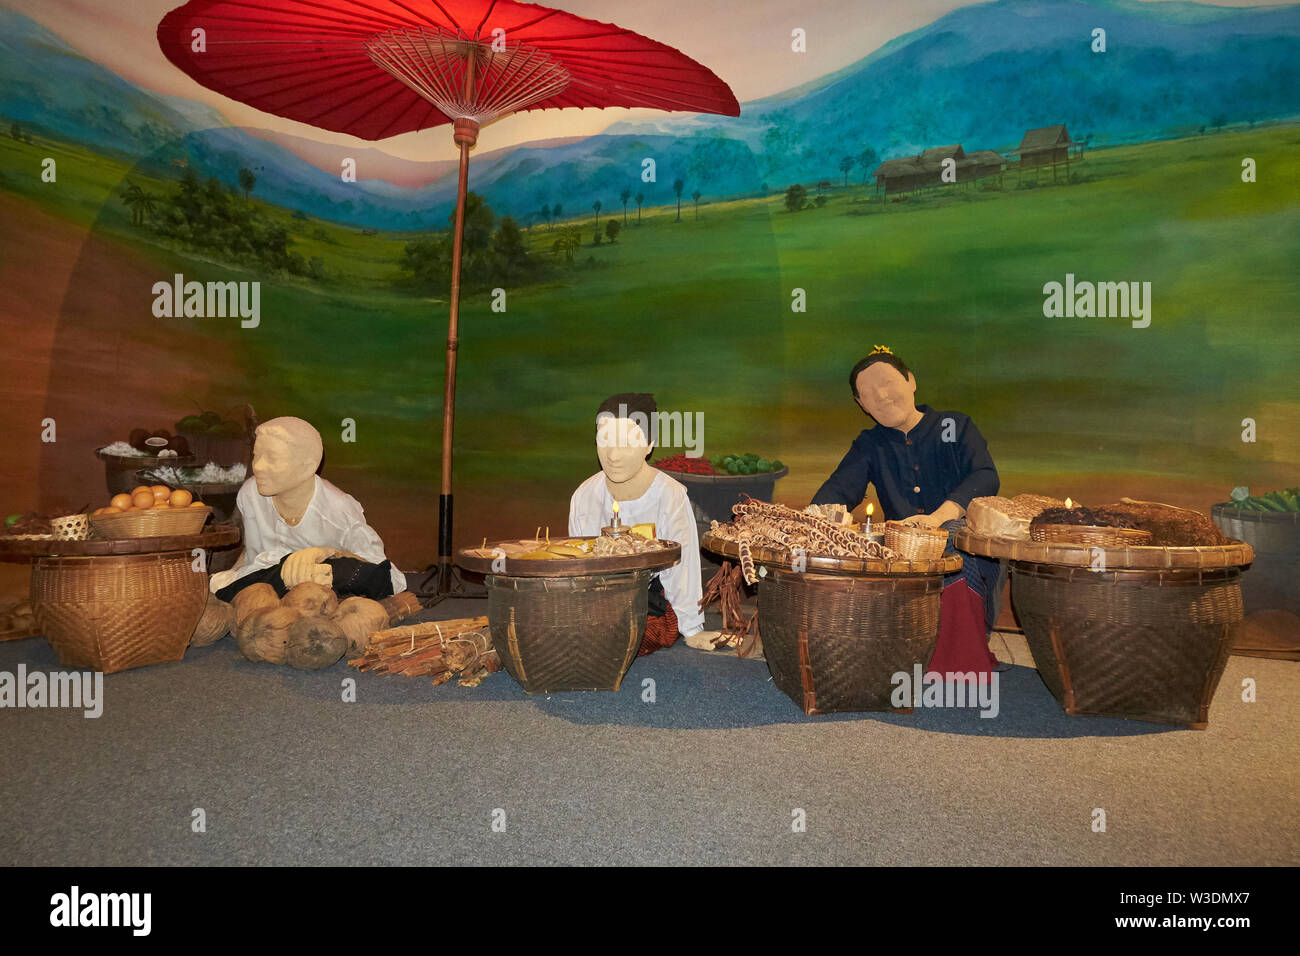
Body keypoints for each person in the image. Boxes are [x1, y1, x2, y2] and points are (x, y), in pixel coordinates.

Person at [811, 346, 1006, 675]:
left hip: (963, 541)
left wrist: (939, 517)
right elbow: (839, 490)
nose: (882, 396)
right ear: (862, 406)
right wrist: (809, 519)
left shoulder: (954, 426)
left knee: (954, 544)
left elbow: (985, 476)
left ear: (910, 381)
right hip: (903, 551)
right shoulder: (870, 444)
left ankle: (960, 662)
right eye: (869, 394)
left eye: (888, 383)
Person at [568, 393, 720, 653]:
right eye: (604, 440)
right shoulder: (585, 496)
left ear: (649, 444)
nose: (613, 455)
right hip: (597, 600)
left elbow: (682, 569)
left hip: (648, 602)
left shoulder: (669, 496)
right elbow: (577, 562)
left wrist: (692, 630)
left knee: (636, 634)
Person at [209, 416, 406, 601]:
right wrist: (234, 576)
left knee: (337, 573)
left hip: (321, 587)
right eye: (256, 455)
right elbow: (252, 556)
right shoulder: (251, 494)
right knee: (222, 587)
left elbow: (387, 577)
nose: (258, 467)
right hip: (266, 583)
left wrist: (327, 552)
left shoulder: (338, 509)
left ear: (307, 466)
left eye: (272, 458)